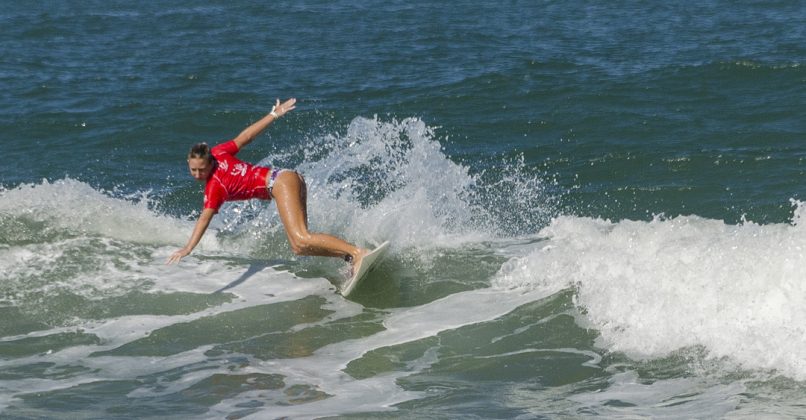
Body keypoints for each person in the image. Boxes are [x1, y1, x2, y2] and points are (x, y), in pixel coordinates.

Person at [167, 98, 367, 271]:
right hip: (287, 178)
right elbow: (245, 137)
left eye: (201, 169)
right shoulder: (219, 152)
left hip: (280, 183)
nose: (197, 174)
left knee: (302, 237)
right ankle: (348, 256)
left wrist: (188, 248)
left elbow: (204, 219)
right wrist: (274, 113)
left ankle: (357, 253)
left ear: (210, 162)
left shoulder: (214, 185)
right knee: (299, 247)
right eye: (193, 169)